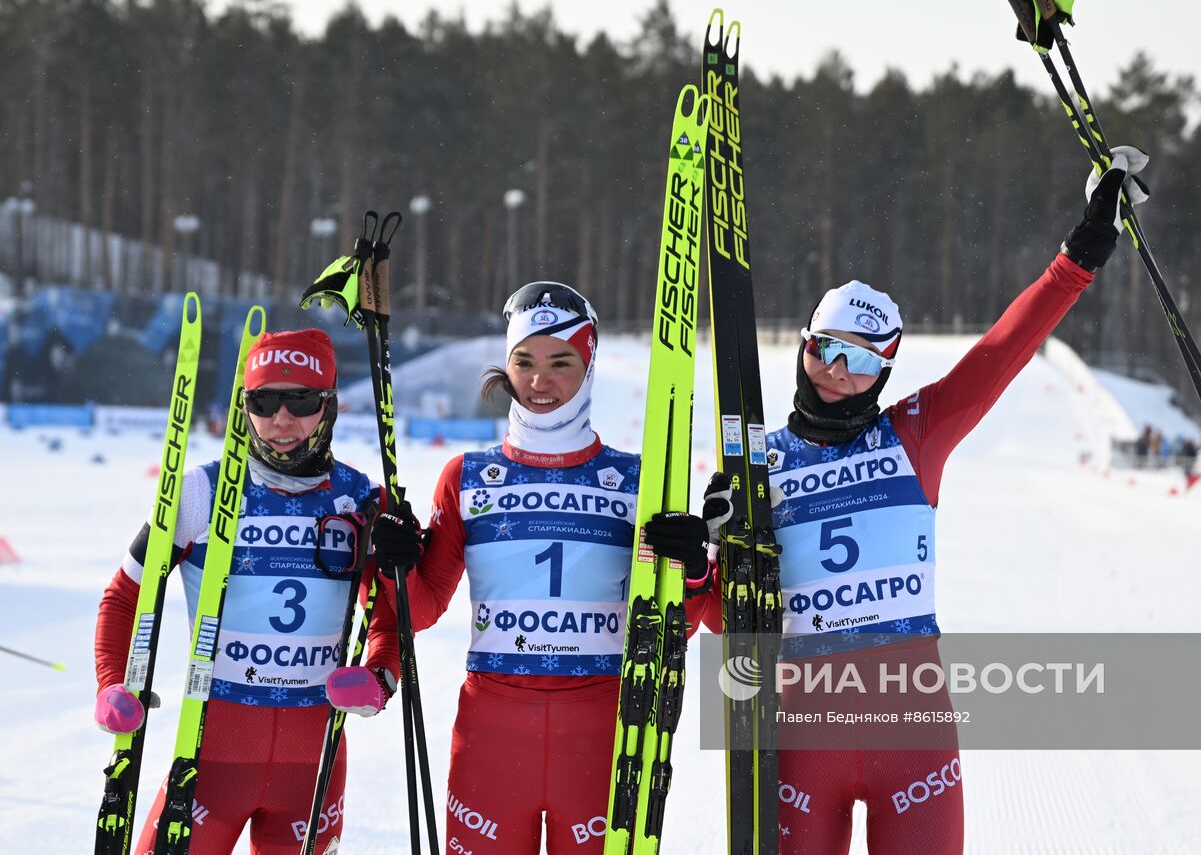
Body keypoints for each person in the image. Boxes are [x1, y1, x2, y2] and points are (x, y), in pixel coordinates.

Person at [693, 154, 1146, 854]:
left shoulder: (916, 432)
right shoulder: (758, 465)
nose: (838, 374)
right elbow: (733, 624)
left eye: (863, 361)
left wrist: (1079, 256)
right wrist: (706, 560)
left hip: (914, 731)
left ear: (887, 370)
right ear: (804, 346)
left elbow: (1002, 351)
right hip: (804, 732)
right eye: (825, 351)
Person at [324, 282, 724, 855]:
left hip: (603, 723)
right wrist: (396, 564)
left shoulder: (639, 480)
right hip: (492, 725)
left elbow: (681, 624)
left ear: (589, 366)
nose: (541, 381)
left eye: (562, 362)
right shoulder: (468, 477)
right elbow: (426, 605)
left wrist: (690, 569)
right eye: (525, 362)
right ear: (506, 367)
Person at [93, 329, 382, 854]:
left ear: (330, 405)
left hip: (313, 763)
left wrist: (381, 670)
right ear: (243, 405)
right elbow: (124, 596)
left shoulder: (359, 498)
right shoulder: (201, 492)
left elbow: (391, 609)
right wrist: (114, 682)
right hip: (211, 756)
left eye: (302, 400)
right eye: (264, 401)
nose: (282, 420)